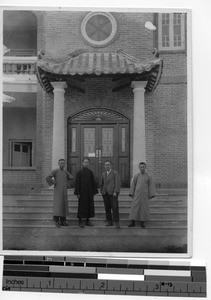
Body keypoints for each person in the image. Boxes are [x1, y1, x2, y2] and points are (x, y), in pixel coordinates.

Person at [45, 159, 74, 228]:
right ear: (58, 164)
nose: (62, 164)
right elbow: (47, 177)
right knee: (58, 205)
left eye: (63, 163)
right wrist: (54, 182)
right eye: (61, 163)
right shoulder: (55, 171)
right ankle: (57, 221)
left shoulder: (65, 172)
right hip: (58, 190)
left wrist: (67, 183)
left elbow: (71, 177)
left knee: (63, 205)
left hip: (64, 190)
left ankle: (63, 221)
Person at [128, 162, 155, 228]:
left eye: (143, 167)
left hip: (144, 195)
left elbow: (151, 186)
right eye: (141, 167)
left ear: (145, 168)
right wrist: (132, 193)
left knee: (143, 209)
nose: (142, 168)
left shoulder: (148, 176)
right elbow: (133, 185)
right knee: (134, 208)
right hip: (137, 195)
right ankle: (133, 222)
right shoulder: (136, 176)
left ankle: (142, 223)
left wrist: (151, 194)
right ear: (139, 168)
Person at [74, 158, 98, 228]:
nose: (86, 163)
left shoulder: (90, 172)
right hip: (82, 193)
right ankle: (80, 221)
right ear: (82, 163)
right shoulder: (79, 172)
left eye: (87, 162)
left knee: (89, 207)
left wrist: (94, 192)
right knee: (81, 207)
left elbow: (93, 182)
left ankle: (87, 221)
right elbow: (77, 183)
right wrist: (77, 193)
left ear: (89, 164)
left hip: (89, 193)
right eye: (85, 162)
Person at [100, 160, 121, 229]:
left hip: (113, 193)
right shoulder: (103, 174)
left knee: (115, 207)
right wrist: (101, 191)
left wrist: (116, 191)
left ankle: (117, 222)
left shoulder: (115, 173)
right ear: (104, 166)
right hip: (105, 193)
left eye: (108, 165)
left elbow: (117, 183)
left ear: (111, 165)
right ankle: (109, 221)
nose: (107, 166)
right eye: (106, 165)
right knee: (107, 208)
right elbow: (102, 183)